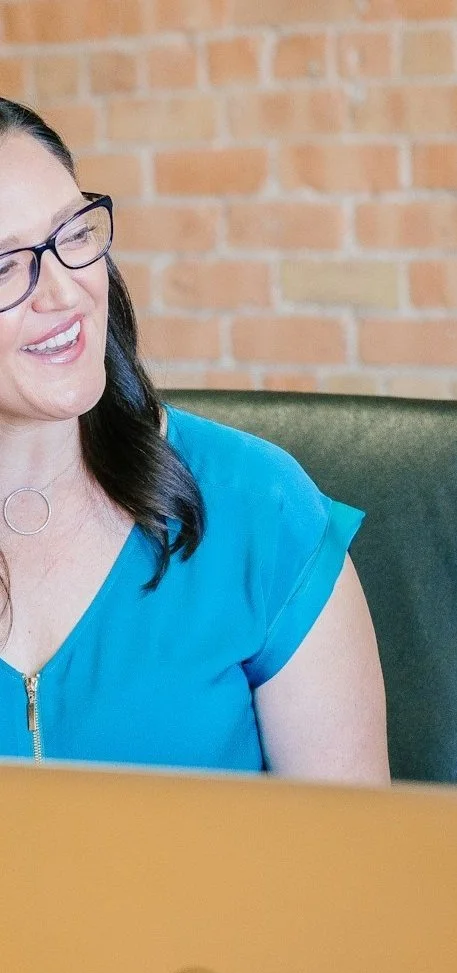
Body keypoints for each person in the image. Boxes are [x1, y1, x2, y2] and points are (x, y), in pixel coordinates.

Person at [0, 97, 389, 782]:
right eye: (4, 268)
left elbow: (356, 867)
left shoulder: (259, 509)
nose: (62, 291)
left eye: (73, 235)